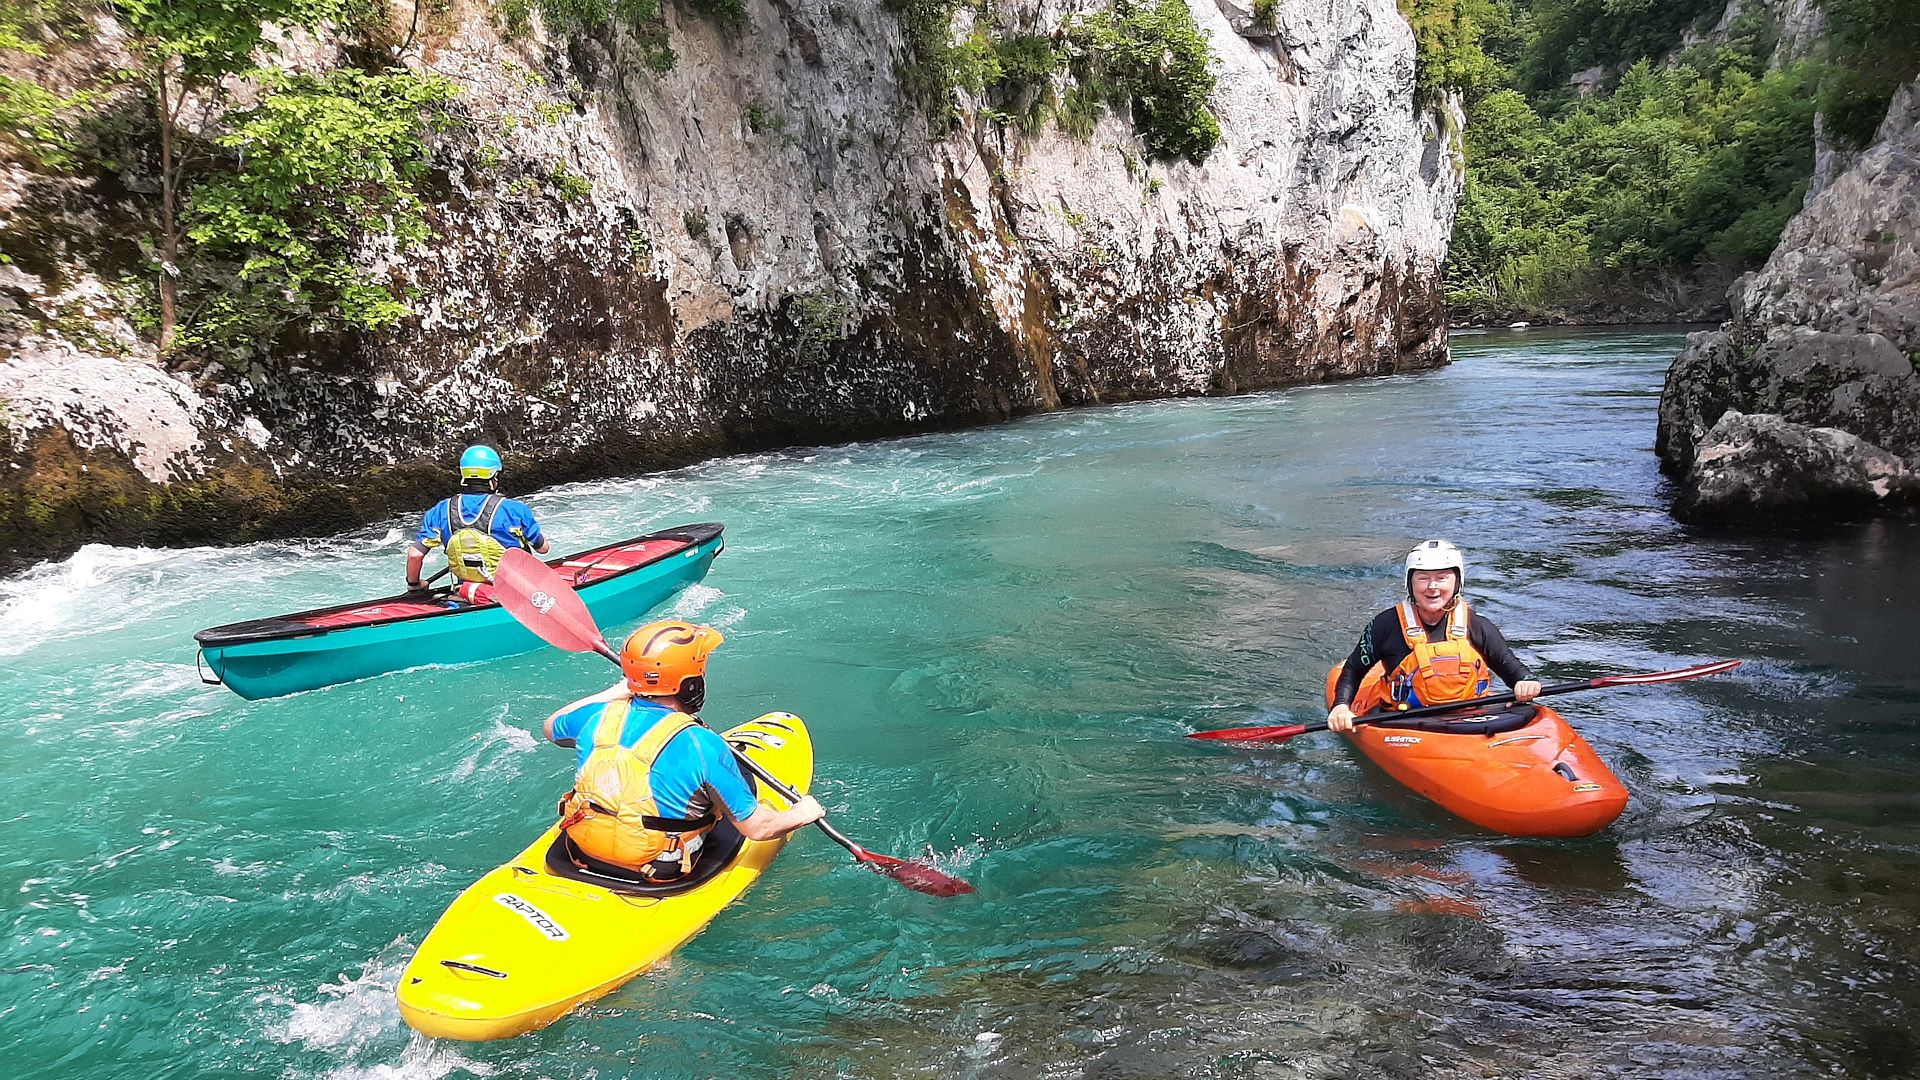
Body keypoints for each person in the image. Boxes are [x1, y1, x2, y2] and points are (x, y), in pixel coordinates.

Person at [542, 619, 825, 880]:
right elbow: (759, 829)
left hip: (581, 849)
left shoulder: (595, 716)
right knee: (723, 799)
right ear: (690, 686)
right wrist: (801, 813)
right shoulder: (702, 745)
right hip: (658, 867)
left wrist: (617, 692)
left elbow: (551, 726)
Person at [1327, 539, 1543, 732]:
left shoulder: (1476, 625)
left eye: (1442, 578)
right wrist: (1341, 706)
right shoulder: (1385, 625)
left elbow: (1513, 670)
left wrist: (1525, 683)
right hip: (1402, 721)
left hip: (1469, 720)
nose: (1432, 587)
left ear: (1457, 582)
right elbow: (1354, 669)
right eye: (1423, 578)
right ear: (1409, 583)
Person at [404, 444, 549, 603]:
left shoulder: (440, 510)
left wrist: (414, 585)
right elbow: (543, 549)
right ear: (493, 477)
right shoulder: (515, 510)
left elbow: (414, 554)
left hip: (466, 592)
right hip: (515, 592)